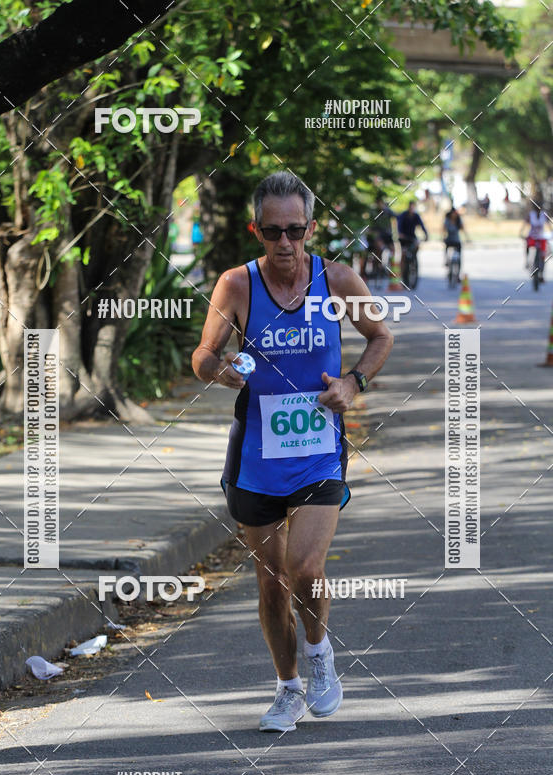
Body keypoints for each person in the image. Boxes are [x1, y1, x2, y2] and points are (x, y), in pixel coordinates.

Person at [192, 171, 394, 732]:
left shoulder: (339, 280)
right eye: (273, 232)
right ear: (256, 229)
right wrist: (220, 369)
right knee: (271, 581)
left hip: (319, 450)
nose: (285, 243)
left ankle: (321, 655)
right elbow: (203, 354)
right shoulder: (237, 285)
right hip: (256, 455)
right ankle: (287, 688)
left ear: (310, 227)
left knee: (305, 569)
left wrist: (352, 383)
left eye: (296, 231)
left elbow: (380, 338)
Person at [521, 196, 548, 272]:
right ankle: (527, 260)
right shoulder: (531, 215)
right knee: (527, 244)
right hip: (532, 236)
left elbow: (549, 226)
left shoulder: (544, 215)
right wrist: (521, 233)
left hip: (541, 236)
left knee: (544, 253)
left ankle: (542, 271)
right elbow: (524, 225)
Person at [443, 206, 467, 276]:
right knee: (446, 249)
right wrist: (443, 237)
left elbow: (463, 229)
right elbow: (443, 229)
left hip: (456, 240)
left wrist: (467, 238)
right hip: (449, 239)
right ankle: (447, 261)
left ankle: (458, 274)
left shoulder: (459, 220)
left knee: (459, 257)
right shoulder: (447, 220)